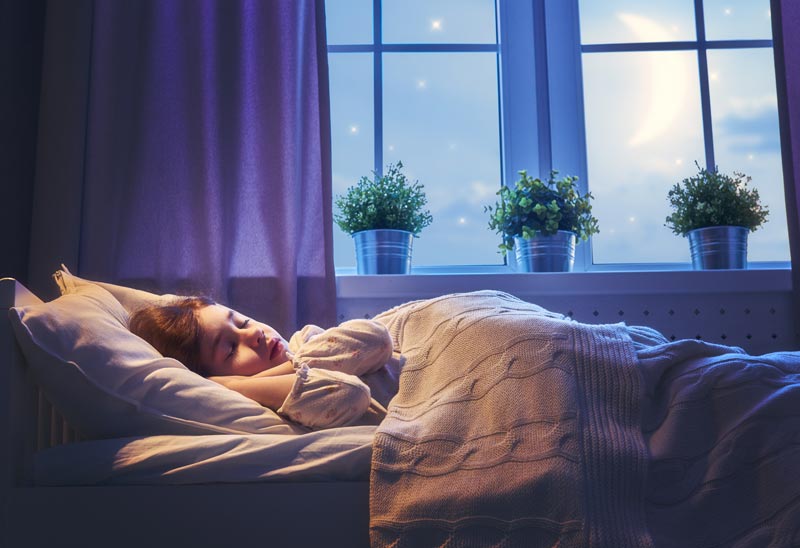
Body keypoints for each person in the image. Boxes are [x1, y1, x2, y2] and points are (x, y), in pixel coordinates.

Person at [128, 296, 396, 429]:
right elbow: (351, 393)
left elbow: (377, 339)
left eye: (242, 322)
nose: (254, 334)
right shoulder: (282, 403)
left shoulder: (305, 340)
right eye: (231, 348)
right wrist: (236, 387)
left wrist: (289, 363)